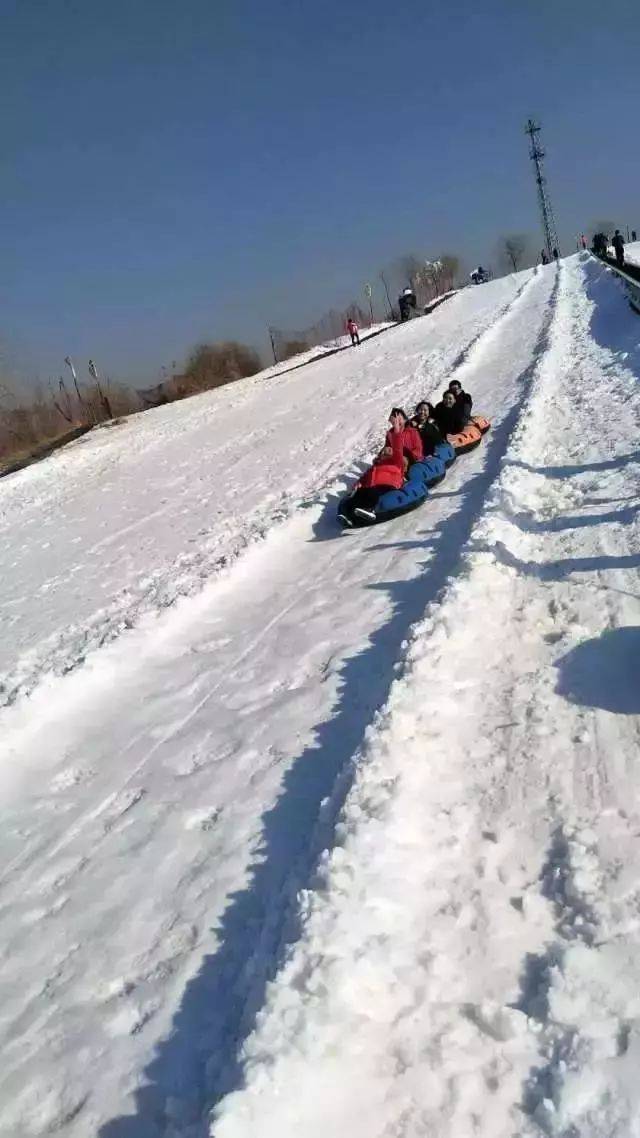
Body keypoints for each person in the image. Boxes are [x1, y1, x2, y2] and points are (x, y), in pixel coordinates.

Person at [338, 409, 407, 524]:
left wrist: (396, 428)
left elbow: (398, 447)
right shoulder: (375, 466)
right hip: (372, 486)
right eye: (384, 450)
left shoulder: (396, 462)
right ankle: (347, 516)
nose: (387, 449)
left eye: (390, 449)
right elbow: (363, 478)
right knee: (358, 494)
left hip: (388, 485)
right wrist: (357, 485)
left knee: (372, 493)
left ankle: (369, 510)